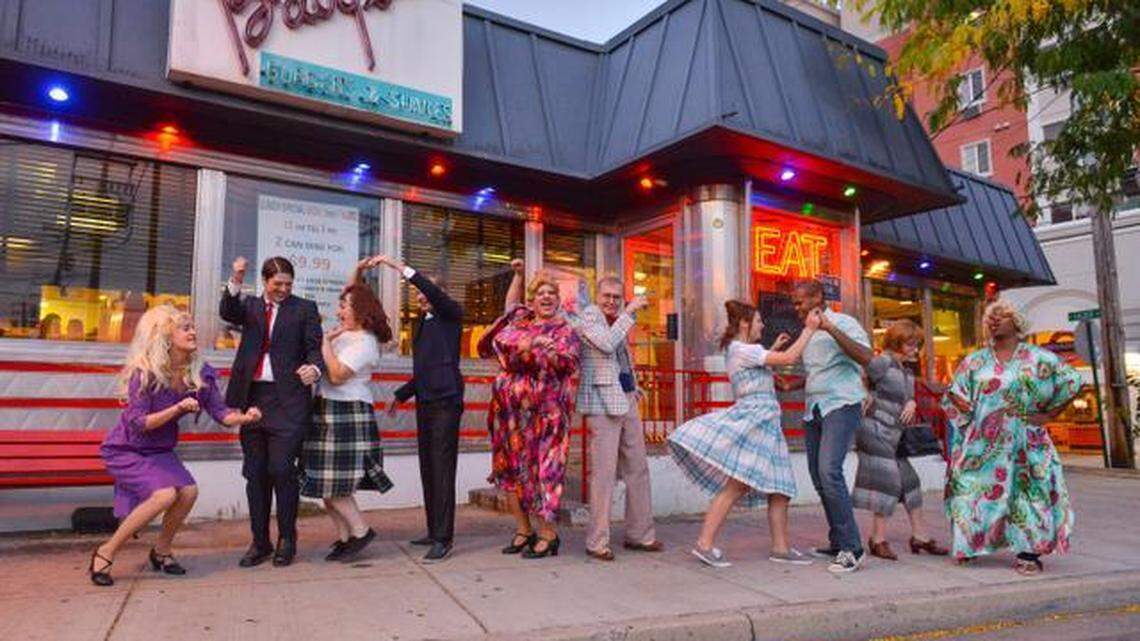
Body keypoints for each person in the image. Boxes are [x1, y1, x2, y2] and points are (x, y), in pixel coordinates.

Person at [90, 305, 262, 586]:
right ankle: (106, 551)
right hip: (127, 449)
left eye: (192, 326)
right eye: (185, 327)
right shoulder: (144, 373)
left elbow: (221, 414)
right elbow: (138, 424)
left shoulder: (200, 372)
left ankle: (162, 551)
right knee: (164, 495)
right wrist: (178, 408)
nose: (193, 332)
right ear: (165, 335)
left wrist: (245, 417)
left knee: (189, 491)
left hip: (159, 451)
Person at [669, 300, 821, 568]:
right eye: (759, 321)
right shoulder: (742, 349)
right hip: (756, 420)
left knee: (780, 488)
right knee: (737, 483)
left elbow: (762, 372)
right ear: (744, 323)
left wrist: (771, 350)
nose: (763, 325)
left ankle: (781, 548)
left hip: (768, 423)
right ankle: (704, 543)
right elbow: (788, 359)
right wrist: (808, 329)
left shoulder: (744, 351)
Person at [942, 300, 1080, 575]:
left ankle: (1028, 553)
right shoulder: (975, 360)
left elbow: (1071, 381)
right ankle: (970, 545)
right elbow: (953, 394)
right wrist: (965, 410)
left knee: (1028, 495)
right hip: (983, 442)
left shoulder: (1039, 358)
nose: (994, 320)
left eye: (1001, 315)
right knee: (969, 490)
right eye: (990, 316)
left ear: (1016, 323)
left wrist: (1048, 415)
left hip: (1026, 442)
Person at [220, 256, 324, 568]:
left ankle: (287, 539)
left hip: (288, 401)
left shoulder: (304, 308)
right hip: (253, 399)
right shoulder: (250, 306)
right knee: (256, 474)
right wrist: (236, 277)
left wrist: (315, 369)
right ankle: (260, 542)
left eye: (288, 284)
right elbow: (228, 311)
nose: (282, 289)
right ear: (265, 281)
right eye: (277, 284)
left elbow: (314, 348)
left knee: (281, 469)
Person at [478, 259, 580, 559]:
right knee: (509, 471)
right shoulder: (519, 321)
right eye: (541, 293)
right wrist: (519, 276)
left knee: (544, 473)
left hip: (547, 415)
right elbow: (510, 304)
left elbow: (568, 362)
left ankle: (549, 535)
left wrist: (541, 352)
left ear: (558, 300)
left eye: (552, 293)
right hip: (510, 415)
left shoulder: (565, 331)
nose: (546, 297)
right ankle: (523, 531)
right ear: (532, 300)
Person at [300, 260, 395, 563]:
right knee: (324, 483)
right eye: (340, 304)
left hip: (347, 411)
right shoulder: (347, 333)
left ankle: (360, 531)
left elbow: (339, 374)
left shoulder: (366, 342)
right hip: (327, 408)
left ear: (361, 311)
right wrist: (357, 271)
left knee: (335, 484)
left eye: (345, 306)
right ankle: (344, 538)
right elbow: (352, 291)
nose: (340, 310)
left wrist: (325, 342)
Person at [373, 254, 464, 563]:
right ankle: (433, 530)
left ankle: (444, 538)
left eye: (427, 292)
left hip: (446, 403)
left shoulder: (451, 315)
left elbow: (434, 293)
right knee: (428, 467)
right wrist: (400, 395)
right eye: (419, 294)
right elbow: (424, 371)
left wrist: (401, 268)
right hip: (426, 401)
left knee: (442, 469)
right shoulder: (420, 324)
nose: (422, 296)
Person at [573, 276, 662, 561]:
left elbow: (621, 358)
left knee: (638, 467)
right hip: (601, 403)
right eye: (607, 296)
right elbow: (607, 345)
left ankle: (640, 535)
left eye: (616, 297)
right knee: (604, 474)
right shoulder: (588, 316)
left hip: (625, 399)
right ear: (597, 296)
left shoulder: (617, 318)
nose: (611, 301)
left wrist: (634, 388)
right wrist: (629, 312)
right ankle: (597, 541)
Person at [788, 279, 872, 573]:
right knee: (818, 475)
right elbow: (819, 371)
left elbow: (866, 357)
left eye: (800, 302)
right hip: (815, 409)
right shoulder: (807, 331)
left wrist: (831, 329)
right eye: (794, 302)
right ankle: (838, 540)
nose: (796, 307)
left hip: (842, 404)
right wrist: (793, 383)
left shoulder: (843, 322)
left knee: (829, 470)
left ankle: (853, 548)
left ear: (817, 297)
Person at [850, 319, 948, 560]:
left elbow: (906, 394)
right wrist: (864, 394)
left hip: (894, 434)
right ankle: (877, 539)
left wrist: (912, 401)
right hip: (875, 428)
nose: (916, 348)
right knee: (888, 482)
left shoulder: (904, 369)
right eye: (911, 344)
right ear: (897, 342)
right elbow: (856, 373)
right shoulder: (883, 361)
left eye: (917, 344)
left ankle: (920, 536)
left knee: (910, 482)